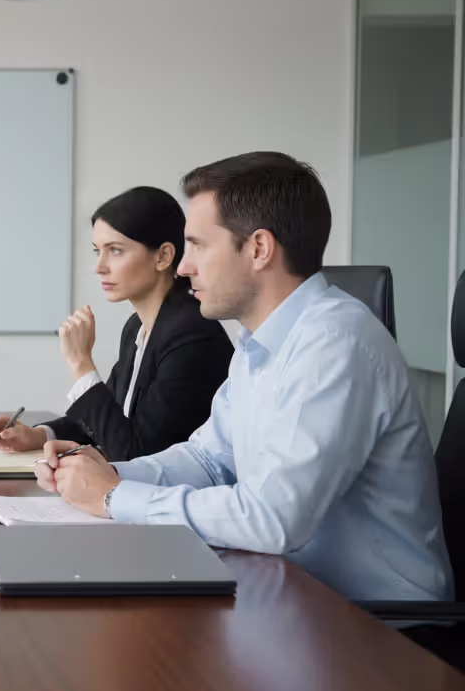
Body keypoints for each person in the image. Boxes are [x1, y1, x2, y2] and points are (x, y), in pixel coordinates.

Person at [36, 152, 451, 602]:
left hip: (377, 632)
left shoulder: (335, 343)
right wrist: (105, 473)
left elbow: (275, 518)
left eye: (197, 245)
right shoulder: (259, 343)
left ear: (258, 249)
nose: (183, 266)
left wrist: (116, 497)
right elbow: (210, 461)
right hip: (289, 598)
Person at [0, 187, 232, 461]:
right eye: (98, 251)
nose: (100, 267)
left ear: (163, 257)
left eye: (115, 250)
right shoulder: (137, 327)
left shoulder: (192, 336)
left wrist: (81, 364)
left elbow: (134, 453)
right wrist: (39, 435)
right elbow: (112, 419)